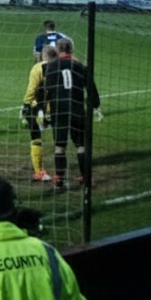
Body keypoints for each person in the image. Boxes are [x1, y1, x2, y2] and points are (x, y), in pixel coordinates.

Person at [43, 38, 100, 189]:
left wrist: (44, 110)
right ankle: (85, 178)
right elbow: (92, 89)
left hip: (59, 110)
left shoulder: (51, 66)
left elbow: (47, 91)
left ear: (57, 49)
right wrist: (95, 105)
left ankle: (59, 179)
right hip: (77, 109)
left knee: (59, 146)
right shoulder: (80, 66)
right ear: (72, 49)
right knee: (81, 146)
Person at [22, 45, 59, 182]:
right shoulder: (59, 66)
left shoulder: (37, 68)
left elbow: (32, 89)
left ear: (43, 55)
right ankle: (59, 172)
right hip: (54, 108)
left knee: (36, 138)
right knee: (59, 140)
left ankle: (39, 172)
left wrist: (25, 104)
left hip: (36, 108)